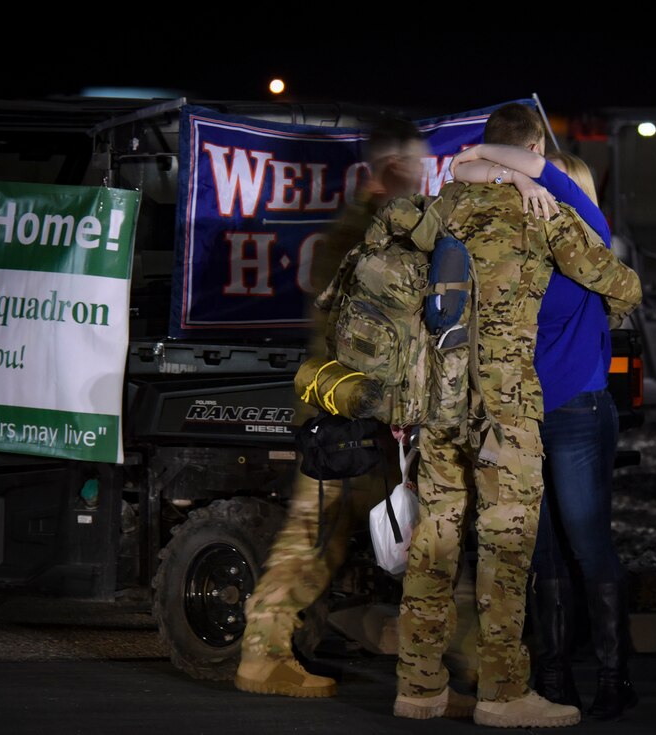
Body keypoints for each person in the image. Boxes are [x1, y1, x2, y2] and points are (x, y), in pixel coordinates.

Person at [390, 102, 642, 727]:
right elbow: (622, 284)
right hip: (508, 408)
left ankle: (419, 688)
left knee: (437, 540)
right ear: (531, 145)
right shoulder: (542, 213)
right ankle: (504, 694)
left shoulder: (437, 211)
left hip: (438, 403)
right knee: (508, 548)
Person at [234, 118, 429, 697]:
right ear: (392, 168)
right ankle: (263, 655)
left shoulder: (369, 230)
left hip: (368, 420)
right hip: (353, 422)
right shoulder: (364, 237)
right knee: (325, 542)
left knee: (385, 542)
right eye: (413, 167)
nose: (420, 178)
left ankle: (447, 672)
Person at [451, 143, 637, 718]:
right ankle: (556, 677)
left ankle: (612, 675)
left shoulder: (588, 235)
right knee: (545, 554)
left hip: (577, 412)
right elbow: (458, 171)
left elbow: (533, 169)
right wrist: (493, 166)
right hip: (525, 417)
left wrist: (490, 153)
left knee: (587, 545)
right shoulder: (524, 239)